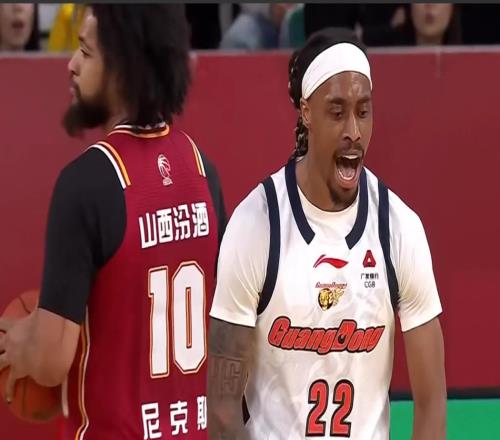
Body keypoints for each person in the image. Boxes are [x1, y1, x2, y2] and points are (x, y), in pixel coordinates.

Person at [207, 28, 446, 439]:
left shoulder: (398, 227)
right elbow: (222, 407)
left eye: (363, 111)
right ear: (306, 113)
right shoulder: (256, 225)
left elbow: (431, 401)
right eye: (337, 113)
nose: (354, 130)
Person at [0, 5, 225, 440]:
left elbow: (49, 361)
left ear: (123, 69)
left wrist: (19, 343)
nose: (72, 64)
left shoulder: (87, 182)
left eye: (86, 52)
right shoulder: (203, 171)